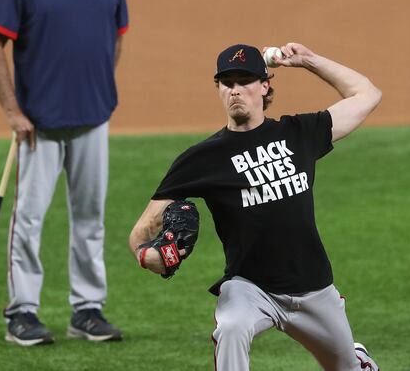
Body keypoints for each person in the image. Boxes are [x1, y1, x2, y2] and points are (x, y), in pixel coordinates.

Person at [129, 43, 382, 370]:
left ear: (264, 86)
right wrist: (146, 255)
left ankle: (355, 358)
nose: (236, 90)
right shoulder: (202, 158)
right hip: (250, 289)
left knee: (345, 366)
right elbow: (144, 226)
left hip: (315, 289)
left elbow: (367, 94)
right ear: (218, 89)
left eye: (245, 81)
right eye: (227, 82)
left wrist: (308, 61)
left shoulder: (298, 134)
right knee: (231, 327)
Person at [0, 0, 128, 346]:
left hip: (93, 119)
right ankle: (21, 313)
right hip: (38, 126)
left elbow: (116, 36)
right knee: (28, 219)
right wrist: (11, 109)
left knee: (90, 218)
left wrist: (95, 87)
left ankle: (87, 309)